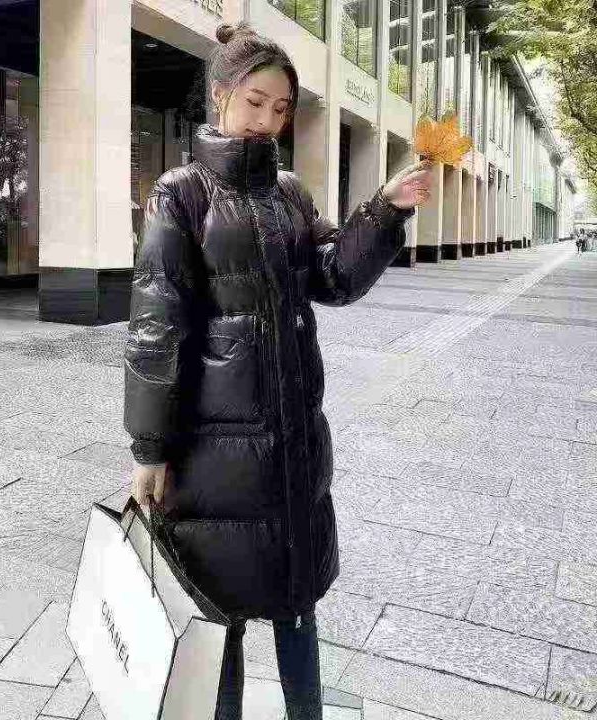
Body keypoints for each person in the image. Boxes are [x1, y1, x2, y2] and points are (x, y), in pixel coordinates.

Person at [123, 21, 433, 720]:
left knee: (298, 606)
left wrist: (384, 211)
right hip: (212, 456)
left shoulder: (289, 192)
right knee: (219, 619)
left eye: (282, 108)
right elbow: (155, 326)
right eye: (255, 102)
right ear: (221, 96)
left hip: (292, 446)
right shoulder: (181, 193)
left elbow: (334, 277)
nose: (267, 120)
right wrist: (149, 447)